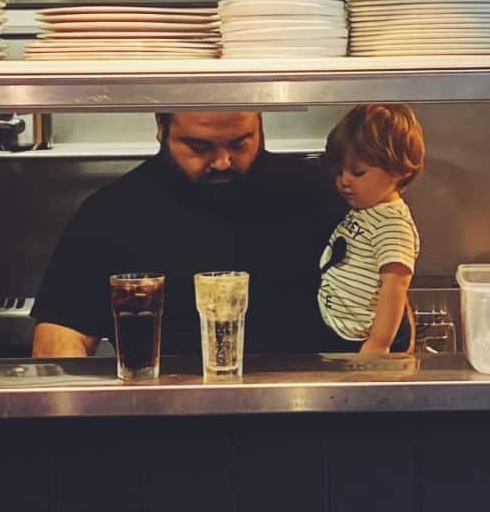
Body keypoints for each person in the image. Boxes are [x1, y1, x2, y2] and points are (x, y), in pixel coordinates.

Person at [31, 111, 350, 357]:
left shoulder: (316, 194)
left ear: (260, 124)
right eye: (199, 147)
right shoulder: (113, 212)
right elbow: (62, 333)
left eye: (240, 143)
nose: (223, 162)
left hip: (307, 406)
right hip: (164, 412)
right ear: (161, 128)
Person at [318, 104, 424, 355]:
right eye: (340, 171)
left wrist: (379, 344)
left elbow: (395, 287)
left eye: (358, 173)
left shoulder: (392, 224)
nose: (344, 181)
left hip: (363, 340)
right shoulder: (368, 207)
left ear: (398, 171)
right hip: (342, 328)